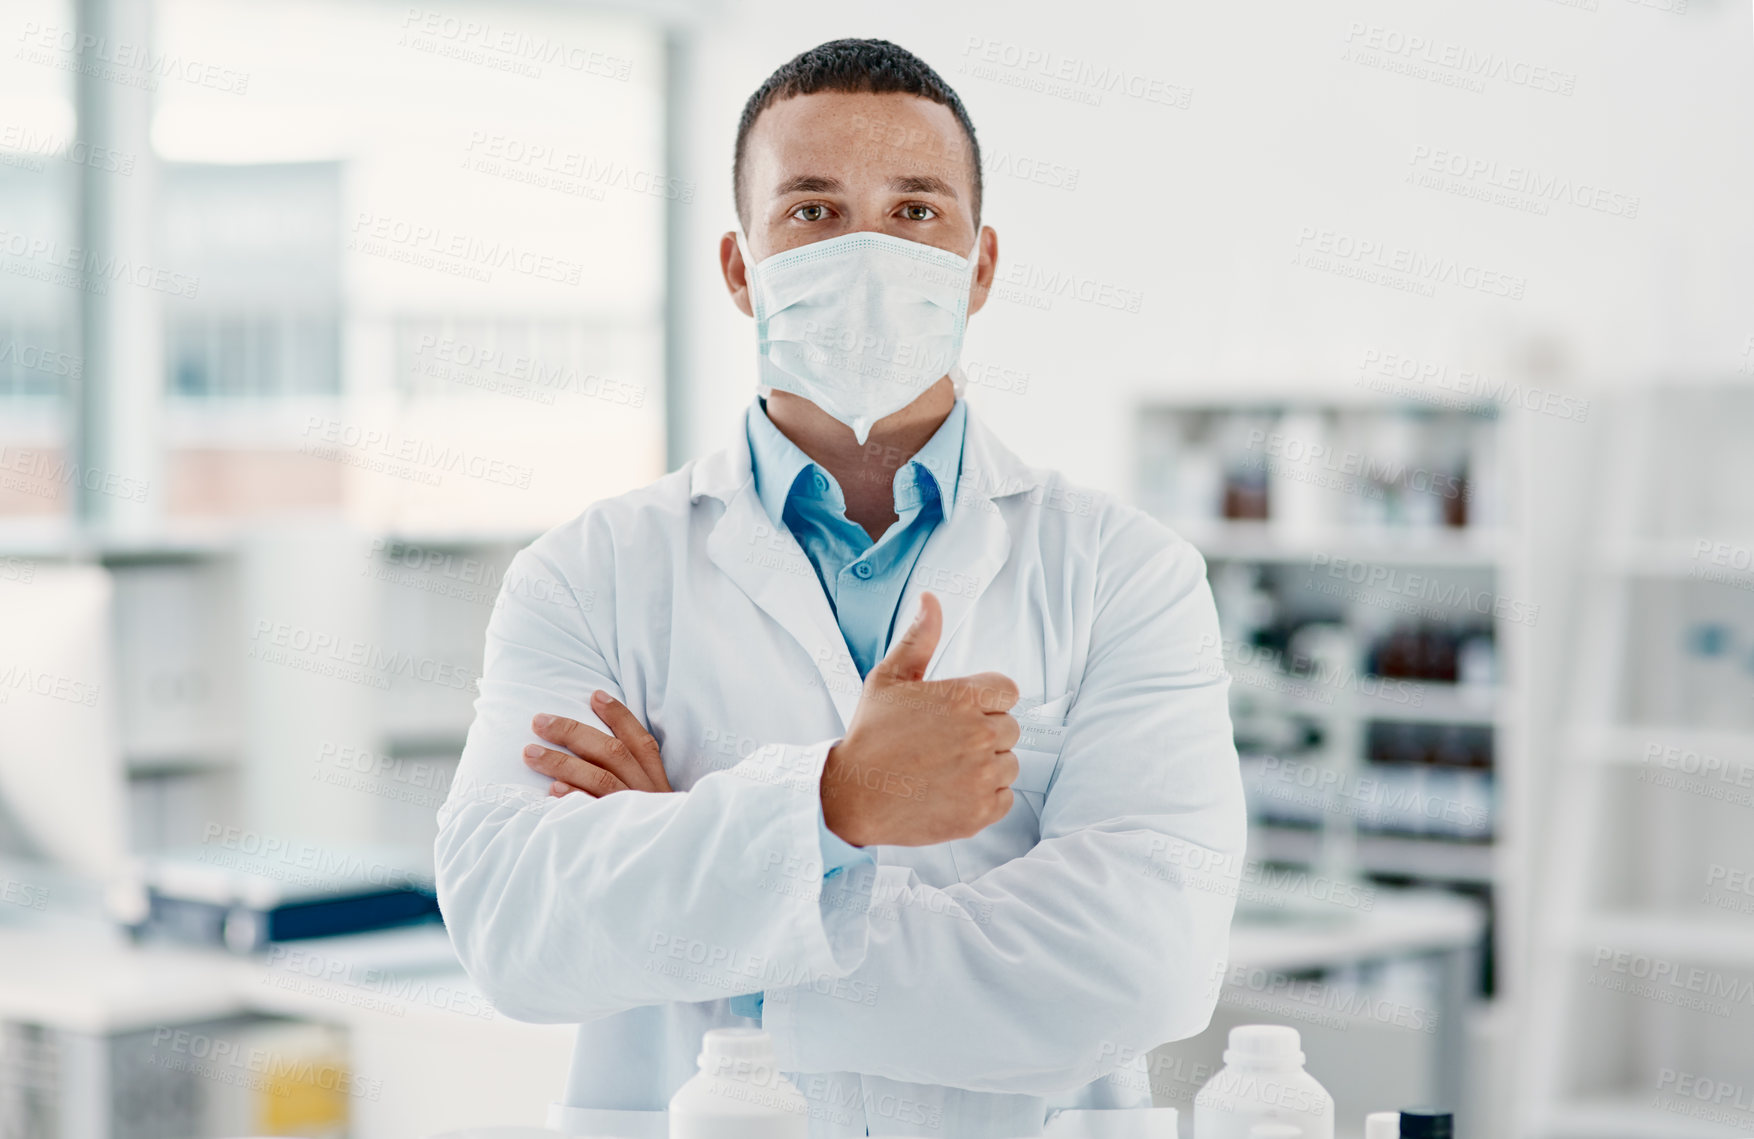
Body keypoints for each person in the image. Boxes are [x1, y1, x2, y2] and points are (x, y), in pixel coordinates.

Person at [436, 38, 1246, 1139]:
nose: (867, 251)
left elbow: (1139, 963)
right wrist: (834, 801)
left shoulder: (1125, 573)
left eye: (914, 212)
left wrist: (714, 911)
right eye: (812, 212)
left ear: (981, 262)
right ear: (738, 267)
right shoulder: (588, 574)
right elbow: (513, 925)